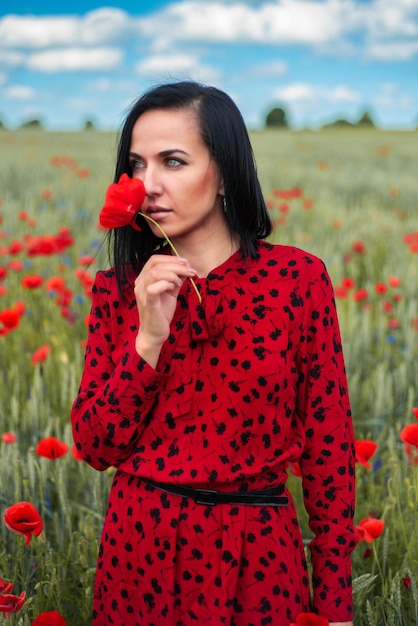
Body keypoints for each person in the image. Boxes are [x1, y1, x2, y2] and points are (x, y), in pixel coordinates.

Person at [71, 80, 357, 626]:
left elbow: (330, 446)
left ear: (224, 172)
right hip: (140, 555)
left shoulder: (297, 280)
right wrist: (147, 340)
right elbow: (94, 445)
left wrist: (335, 602)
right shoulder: (118, 289)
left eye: (172, 162)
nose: (147, 184)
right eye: (136, 164)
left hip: (260, 560)